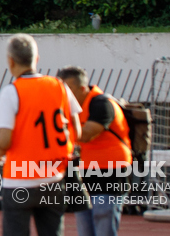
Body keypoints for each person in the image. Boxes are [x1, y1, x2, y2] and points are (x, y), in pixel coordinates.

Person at [0, 33, 80, 236]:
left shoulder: (12, 92)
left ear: (10, 61)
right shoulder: (60, 86)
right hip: (54, 176)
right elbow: (77, 129)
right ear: (36, 59)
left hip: (20, 180)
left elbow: (4, 139)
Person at [56, 66, 132, 236]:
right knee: (84, 221)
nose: (64, 96)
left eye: (68, 91)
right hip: (86, 170)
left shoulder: (101, 104)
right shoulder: (70, 109)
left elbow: (86, 135)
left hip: (111, 170)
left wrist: (53, 130)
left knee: (102, 216)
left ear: (82, 88)